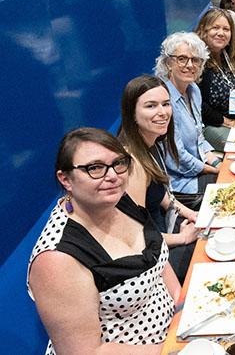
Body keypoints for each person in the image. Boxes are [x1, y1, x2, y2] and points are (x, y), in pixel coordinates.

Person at [27, 127, 179, 353]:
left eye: (119, 163)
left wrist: (184, 312)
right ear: (66, 179)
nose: (113, 176)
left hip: (173, 336)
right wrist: (172, 350)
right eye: (95, 168)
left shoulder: (119, 200)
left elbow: (159, 264)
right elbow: (85, 352)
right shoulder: (57, 259)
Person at [118, 75, 201, 282]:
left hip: (163, 231)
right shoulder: (132, 163)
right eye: (151, 106)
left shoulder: (150, 140)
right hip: (151, 255)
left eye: (166, 104)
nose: (162, 112)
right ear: (132, 114)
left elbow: (159, 193)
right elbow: (135, 235)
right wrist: (182, 238)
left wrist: (191, 213)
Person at [154, 32, 222, 210]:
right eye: (182, 59)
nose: (190, 65)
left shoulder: (193, 90)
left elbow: (199, 137)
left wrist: (217, 162)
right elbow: (176, 158)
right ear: (168, 63)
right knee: (227, 193)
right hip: (180, 182)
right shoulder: (165, 100)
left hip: (198, 168)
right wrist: (212, 170)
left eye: (196, 60)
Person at [195, 9, 235, 151]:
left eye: (226, 29)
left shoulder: (227, 55)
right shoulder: (198, 61)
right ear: (203, 30)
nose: (221, 33)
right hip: (211, 125)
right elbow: (197, 104)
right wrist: (226, 121)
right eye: (215, 27)